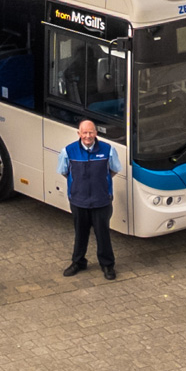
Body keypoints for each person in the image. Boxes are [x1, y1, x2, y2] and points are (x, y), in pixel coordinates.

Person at [57, 118, 122, 280]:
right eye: (84, 132)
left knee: (103, 234)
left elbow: (114, 170)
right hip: (79, 201)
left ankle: (107, 265)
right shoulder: (68, 151)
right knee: (80, 233)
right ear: (79, 133)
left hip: (102, 201)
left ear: (96, 133)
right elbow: (64, 172)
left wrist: (100, 184)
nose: (88, 136)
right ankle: (78, 262)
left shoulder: (108, 150)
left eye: (90, 132)